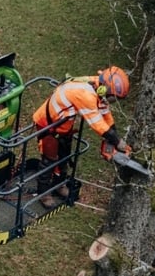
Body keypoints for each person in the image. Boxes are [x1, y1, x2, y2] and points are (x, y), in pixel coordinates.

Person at [32, 66, 131, 205]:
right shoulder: (85, 94)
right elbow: (96, 123)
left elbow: (105, 114)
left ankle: (59, 185)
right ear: (105, 89)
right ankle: (43, 194)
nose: (111, 101)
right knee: (50, 160)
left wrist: (116, 137)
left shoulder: (97, 86)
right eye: (112, 98)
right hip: (48, 125)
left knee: (64, 156)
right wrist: (116, 141)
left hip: (65, 125)